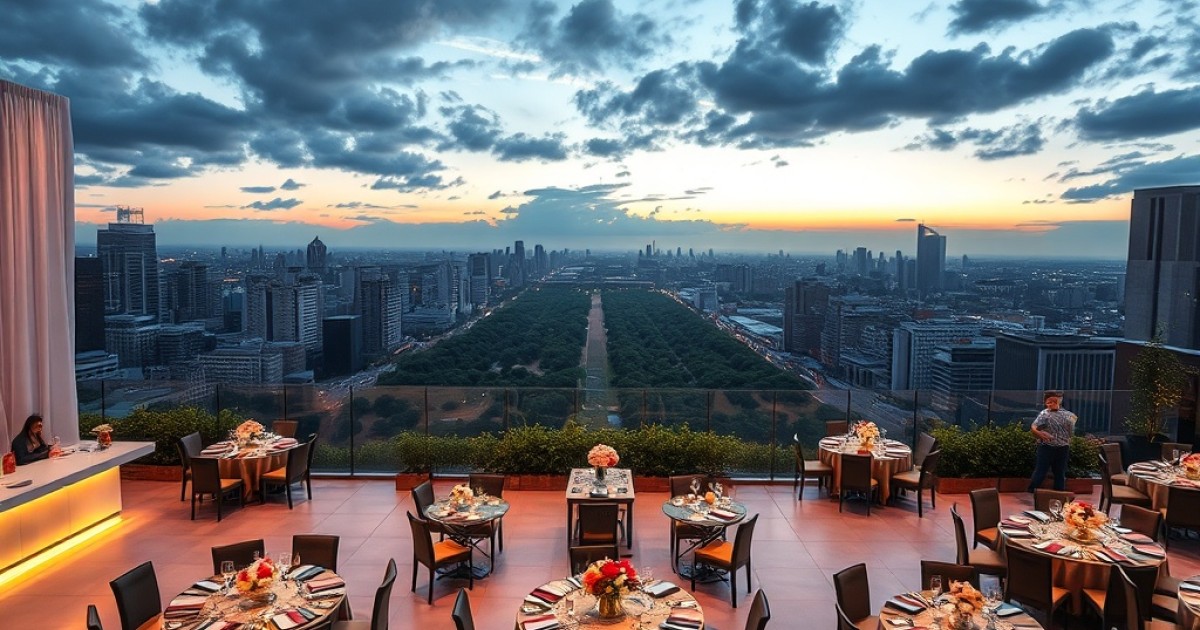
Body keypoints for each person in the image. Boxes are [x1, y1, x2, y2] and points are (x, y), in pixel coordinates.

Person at [1027, 391, 1077, 492]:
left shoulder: (1069, 415)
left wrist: (1068, 437)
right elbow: (1034, 427)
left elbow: (1071, 431)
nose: (1052, 403)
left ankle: (1059, 492)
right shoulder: (1044, 414)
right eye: (1050, 401)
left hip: (1063, 447)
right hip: (1047, 446)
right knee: (1041, 470)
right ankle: (1032, 490)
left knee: (1060, 472)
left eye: (1055, 400)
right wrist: (1040, 434)